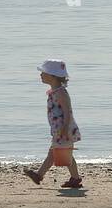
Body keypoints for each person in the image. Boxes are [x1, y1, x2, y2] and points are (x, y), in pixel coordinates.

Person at [24, 59, 82, 188]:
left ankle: (39, 175)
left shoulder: (61, 93)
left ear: (53, 76)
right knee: (62, 153)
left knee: (58, 153)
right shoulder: (54, 92)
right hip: (59, 129)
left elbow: (67, 112)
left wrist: (65, 128)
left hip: (64, 129)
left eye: (43, 73)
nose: (41, 75)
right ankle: (75, 178)